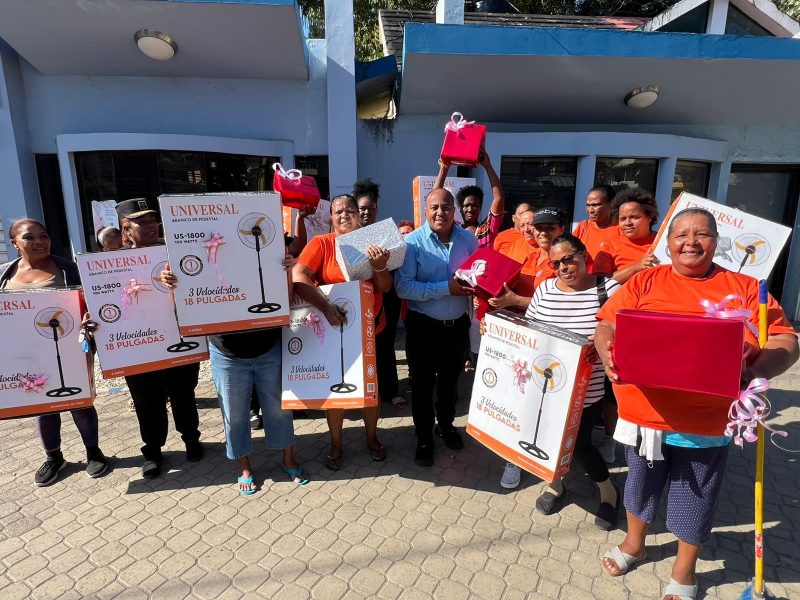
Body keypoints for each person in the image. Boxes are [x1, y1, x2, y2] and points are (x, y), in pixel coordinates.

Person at [594, 208, 798, 600]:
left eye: (701, 234)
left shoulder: (745, 287)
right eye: (681, 234)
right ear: (667, 243)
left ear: (716, 241)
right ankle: (634, 545)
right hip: (644, 416)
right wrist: (607, 352)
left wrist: (754, 371)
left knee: (696, 496)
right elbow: (607, 325)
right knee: (639, 487)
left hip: (707, 422)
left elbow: (786, 340)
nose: (690, 241)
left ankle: (684, 570)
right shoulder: (645, 281)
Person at [490, 234, 621, 525]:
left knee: (581, 445)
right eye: (556, 263)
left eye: (568, 259)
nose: (563, 267)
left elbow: (625, 333)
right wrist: (497, 334)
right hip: (544, 387)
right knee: (547, 440)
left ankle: (608, 491)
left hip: (585, 391)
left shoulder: (608, 288)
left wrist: (597, 345)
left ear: (583, 255)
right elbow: (531, 331)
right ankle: (556, 485)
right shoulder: (545, 289)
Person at [159, 256, 308, 494]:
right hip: (227, 353)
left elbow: (285, 303)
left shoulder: (259, 256)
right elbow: (184, 312)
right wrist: (174, 289)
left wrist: (286, 273)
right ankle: (244, 467)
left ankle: (288, 459)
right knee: (234, 414)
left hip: (269, 347)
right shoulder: (201, 261)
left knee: (280, 410)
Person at [0, 218, 110, 486]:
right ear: (15, 243)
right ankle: (54, 457)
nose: (39, 242)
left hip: (69, 346)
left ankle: (93, 452)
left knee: (80, 402)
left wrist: (89, 320)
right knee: (43, 405)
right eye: (29, 237)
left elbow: (92, 302)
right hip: (25, 354)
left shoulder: (69, 270)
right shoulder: (4, 274)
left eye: (44, 236)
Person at [292, 194, 391, 470]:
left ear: (359, 215)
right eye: (338, 212)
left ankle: (372, 438)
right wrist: (323, 305)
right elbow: (298, 275)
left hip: (370, 330)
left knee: (371, 388)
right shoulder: (321, 243)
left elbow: (385, 287)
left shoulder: (371, 242)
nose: (344, 215)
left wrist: (380, 266)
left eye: (350, 210)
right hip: (334, 329)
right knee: (335, 392)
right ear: (330, 218)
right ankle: (336, 445)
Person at [116, 198, 203, 479]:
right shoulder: (112, 264)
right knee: (146, 399)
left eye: (153, 220)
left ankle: (191, 439)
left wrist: (182, 281)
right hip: (139, 343)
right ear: (126, 229)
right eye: (142, 222)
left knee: (183, 392)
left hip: (179, 337)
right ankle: (153, 450)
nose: (151, 226)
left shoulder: (176, 251)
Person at [395, 188, 478, 466]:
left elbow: (479, 274)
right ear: (426, 211)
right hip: (423, 327)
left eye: (446, 207)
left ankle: (445, 425)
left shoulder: (469, 240)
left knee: (450, 382)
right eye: (434, 208)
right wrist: (446, 288)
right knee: (421, 384)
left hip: (457, 326)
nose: (440, 212)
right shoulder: (413, 243)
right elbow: (403, 287)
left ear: (454, 211)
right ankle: (423, 437)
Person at [353, 179, 406, 409]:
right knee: (359, 346)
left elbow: (397, 262)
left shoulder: (387, 233)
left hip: (387, 296)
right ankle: (360, 389)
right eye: (362, 208)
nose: (366, 212)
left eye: (371, 208)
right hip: (359, 297)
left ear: (377, 210)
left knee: (385, 345)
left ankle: (391, 390)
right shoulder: (348, 237)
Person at [489, 207, 565, 311]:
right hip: (521, 319)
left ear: (562, 229)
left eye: (550, 228)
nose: (543, 232)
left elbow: (561, 302)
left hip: (546, 323)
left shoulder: (566, 261)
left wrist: (517, 300)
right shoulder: (531, 256)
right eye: (539, 227)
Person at [436, 147, 505, 247]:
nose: (470, 209)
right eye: (466, 205)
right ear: (460, 209)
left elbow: (499, 199)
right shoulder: (452, 229)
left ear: (480, 208)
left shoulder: (487, 230)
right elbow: (435, 198)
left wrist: (487, 165)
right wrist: (444, 169)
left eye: (474, 206)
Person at [594, 188, 660, 284]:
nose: (628, 223)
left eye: (634, 217)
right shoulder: (608, 246)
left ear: (649, 217)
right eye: (623, 219)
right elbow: (598, 283)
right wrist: (636, 267)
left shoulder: (664, 242)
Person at [572, 185, 617, 272]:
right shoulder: (583, 227)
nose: (590, 210)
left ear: (611, 204)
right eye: (588, 205)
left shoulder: (621, 229)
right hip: (584, 280)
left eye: (595, 205)